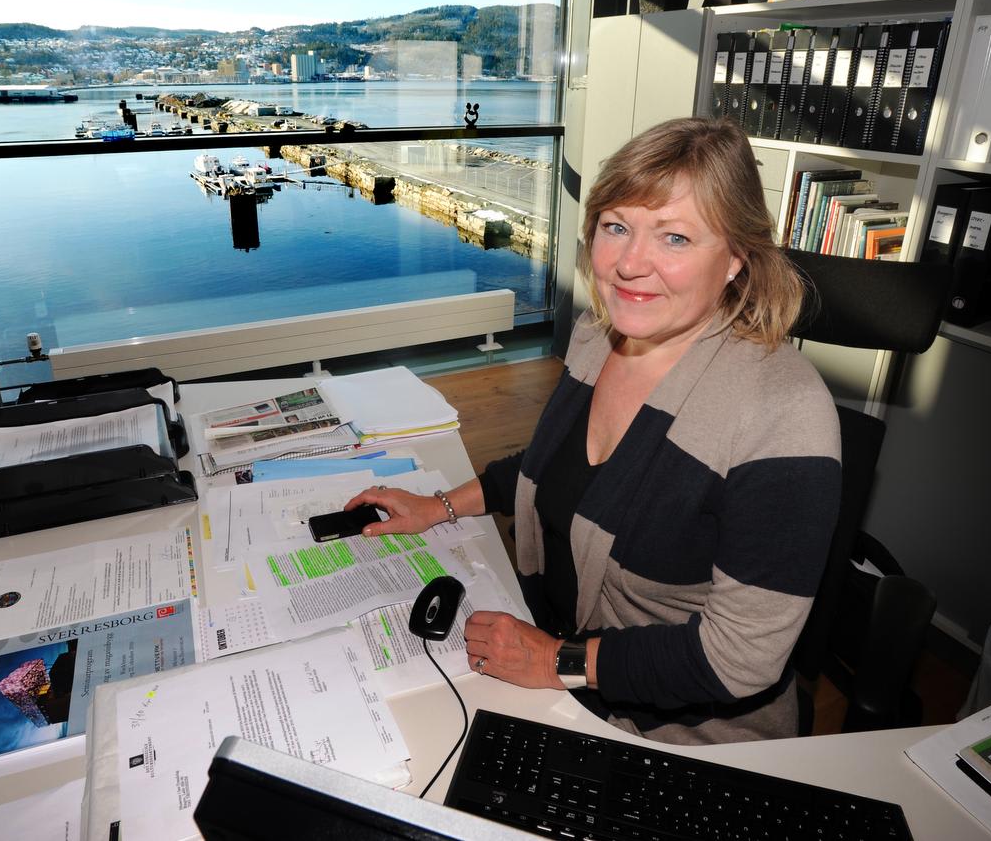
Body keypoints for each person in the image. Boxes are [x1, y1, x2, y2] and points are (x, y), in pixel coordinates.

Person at [346, 117, 840, 744]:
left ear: (736, 258)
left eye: (676, 237)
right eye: (616, 227)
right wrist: (438, 506)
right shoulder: (598, 335)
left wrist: (556, 660)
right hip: (547, 655)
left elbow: (739, 658)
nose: (630, 264)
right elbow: (549, 467)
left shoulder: (784, 412)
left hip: (673, 728)